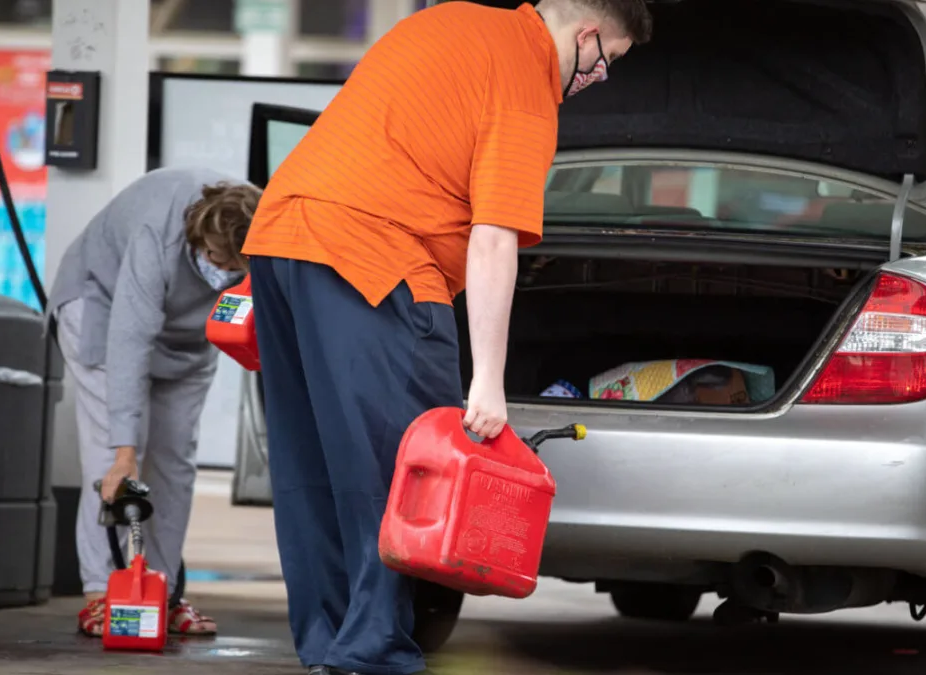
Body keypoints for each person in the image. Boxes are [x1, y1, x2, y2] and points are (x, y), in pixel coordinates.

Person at [240, 0, 652, 673]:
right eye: (609, 60)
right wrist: (487, 380)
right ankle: (370, 652)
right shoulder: (526, 80)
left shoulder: (451, 21)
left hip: (284, 236)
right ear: (586, 36)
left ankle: (327, 642)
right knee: (396, 472)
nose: (599, 77)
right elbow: (493, 240)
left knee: (311, 462)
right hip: (375, 256)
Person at [48, 167, 262, 638]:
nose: (222, 273)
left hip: (188, 337)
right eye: (215, 260)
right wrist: (126, 451)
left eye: (235, 268)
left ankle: (160, 593)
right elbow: (129, 340)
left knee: (175, 461)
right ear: (197, 238)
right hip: (102, 310)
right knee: (114, 459)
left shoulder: (263, 233)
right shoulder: (157, 233)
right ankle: (102, 591)